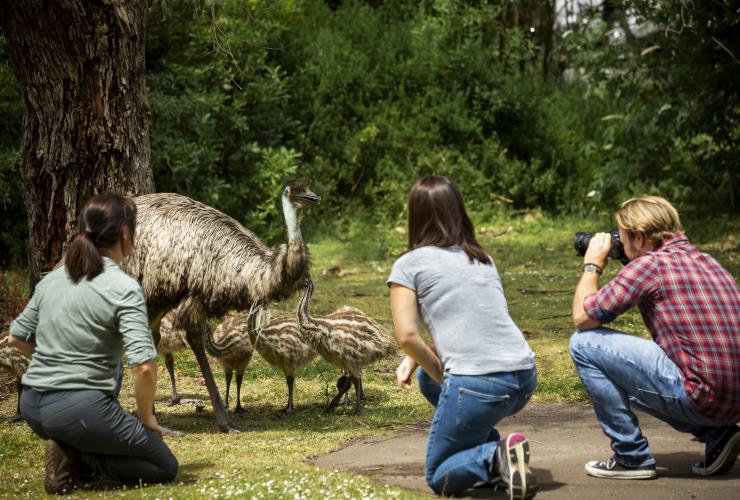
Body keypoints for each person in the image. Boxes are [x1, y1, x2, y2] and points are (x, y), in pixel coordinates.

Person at [8, 193, 178, 494]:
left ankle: (69, 443)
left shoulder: (52, 280)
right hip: (81, 410)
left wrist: (52, 361)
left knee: (110, 366)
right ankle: (76, 454)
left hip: (32, 405)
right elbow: (145, 368)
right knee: (164, 465)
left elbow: (16, 337)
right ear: (126, 235)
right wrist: (146, 417)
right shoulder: (124, 288)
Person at [388, 176, 538, 499]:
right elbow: (471, 322)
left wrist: (443, 372)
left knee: (438, 473)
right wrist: (419, 359)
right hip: (524, 377)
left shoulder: (407, 265)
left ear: (414, 216)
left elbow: (407, 335)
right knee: (430, 382)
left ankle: (494, 457)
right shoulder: (482, 257)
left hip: (479, 385)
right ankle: (495, 454)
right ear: (458, 211)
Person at [570, 195, 740, 480]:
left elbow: (583, 317)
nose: (619, 244)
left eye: (622, 239)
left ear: (638, 236)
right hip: (732, 400)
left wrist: (592, 265)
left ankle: (630, 456)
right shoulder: (706, 260)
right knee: (622, 372)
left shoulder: (651, 266)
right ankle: (718, 434)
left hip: (704, 398)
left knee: (584, 345)